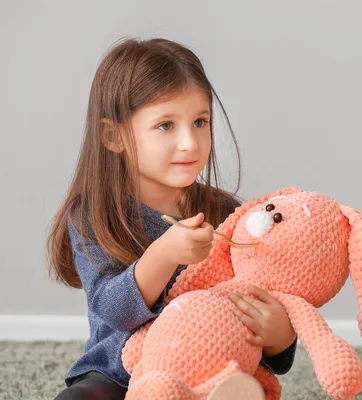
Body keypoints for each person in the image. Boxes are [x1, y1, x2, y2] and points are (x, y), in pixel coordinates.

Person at [46, 37, 297, 400]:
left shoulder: (227, 214)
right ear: (113, 136)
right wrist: (165, 254)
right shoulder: (92, 217)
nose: (190, 143)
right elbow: (115, 311)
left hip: (209, 372)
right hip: (120, 374)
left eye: (199, 122)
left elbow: (258, 302)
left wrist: (281, 336)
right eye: (166, 125)